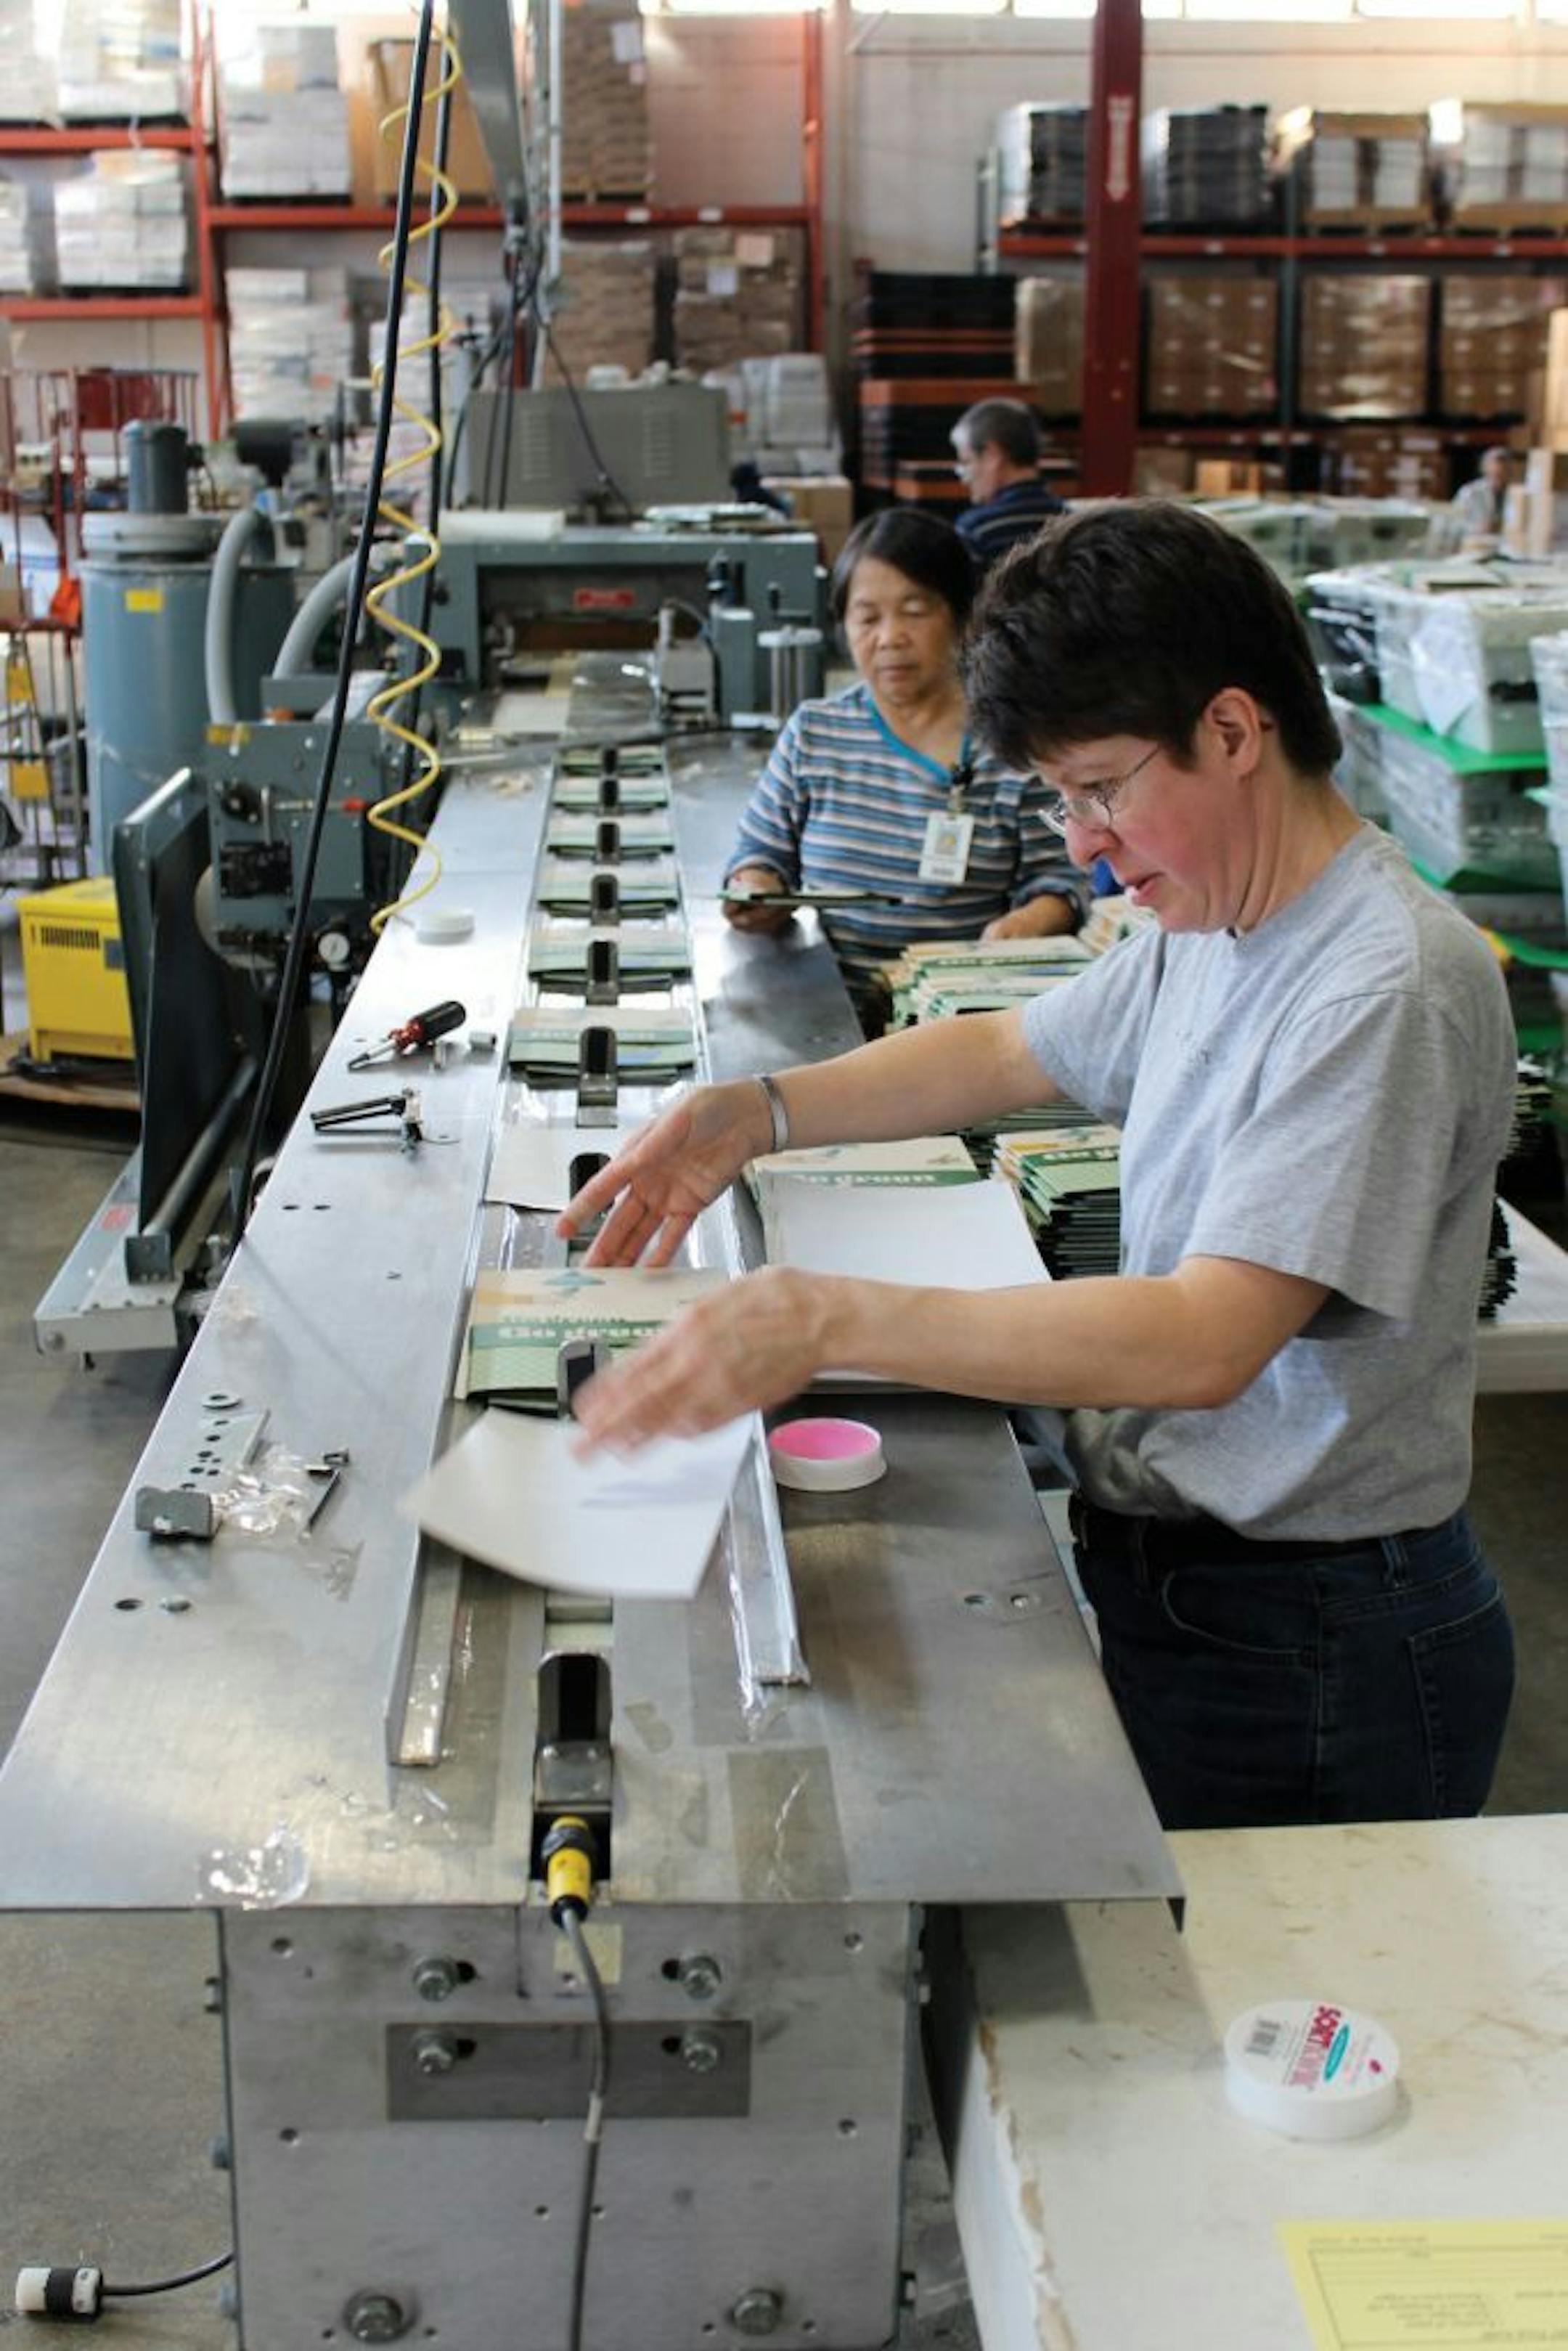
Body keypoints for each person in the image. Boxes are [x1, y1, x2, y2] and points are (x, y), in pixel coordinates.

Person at [560, 501, 1518, 1835]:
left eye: (1100, 788)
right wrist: (756, 1113)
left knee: (1250, 2015)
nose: (1078, 842)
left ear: (1234, 732)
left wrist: (826, 1315)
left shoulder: (1381, 981)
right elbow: (1012, 1047)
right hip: (1199, 1586)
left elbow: (1205, 1337)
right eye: (1059, 798)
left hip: (1317, 1640)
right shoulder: (1219, 916)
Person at [723, 506, 1083, 1022]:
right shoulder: (815, 733)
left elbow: (1061, 882)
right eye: (867, 617)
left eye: (915, 611)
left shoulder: (1015, 746)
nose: (890, 637)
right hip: (826, 1011)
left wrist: (1024, 927)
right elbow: (761, 853)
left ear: (961, 618)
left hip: (958, 1017)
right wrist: (753, 889)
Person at [950, 398, 1066, 570]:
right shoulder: (1071, 523)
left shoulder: (975, 531)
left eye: (967, 462)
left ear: (992, 457)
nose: (964, 478)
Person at [1450, 446, 1511, 545]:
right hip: (1475, 544)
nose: (1498, 479)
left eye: (1501, 474)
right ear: (1485, 469)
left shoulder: (1514, 494)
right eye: (1494, 474)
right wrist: (1477, 528)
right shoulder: (1470, 492)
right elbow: (1454, 523)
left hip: (1503, 545)